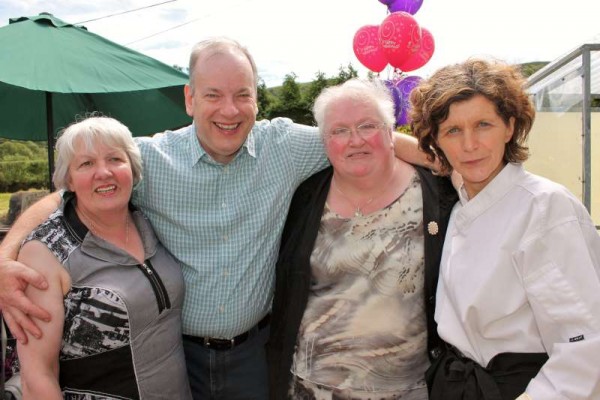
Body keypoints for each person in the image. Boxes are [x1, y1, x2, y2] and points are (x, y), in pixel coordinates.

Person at [0, 38, 432, 399]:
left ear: (256, 100)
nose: (230, 109)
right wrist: (6, 256)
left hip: (257, 354)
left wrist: (447, 161)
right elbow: (65, 194)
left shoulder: (286, 146)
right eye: (213, 95)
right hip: (174, 356)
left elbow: (365, 136)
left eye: (242, 94)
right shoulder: (149, 160)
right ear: (190, 99)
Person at [409, 58, 600, 399]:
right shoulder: (464, 193)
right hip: (458, 383)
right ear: (437, 141)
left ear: (510, 127)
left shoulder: (544, 208)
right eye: (453, 130)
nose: (469, 145)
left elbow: (585, 345)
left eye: (483, 124)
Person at [267, 78, 457, 400]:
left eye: (368, 126)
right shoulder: (305, 197)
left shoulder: (438, 196)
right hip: (310, 390)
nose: (354, 141)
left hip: (409, 389)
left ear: (390, 131)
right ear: (324, 141)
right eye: (339, 131)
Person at [15, 116, 192, 399]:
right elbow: (37, 377)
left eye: (115, 159)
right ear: (68, 180)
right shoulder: (46, 253)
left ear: (132, 169)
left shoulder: (149, 223)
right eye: (86, 164)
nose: (104, 172)